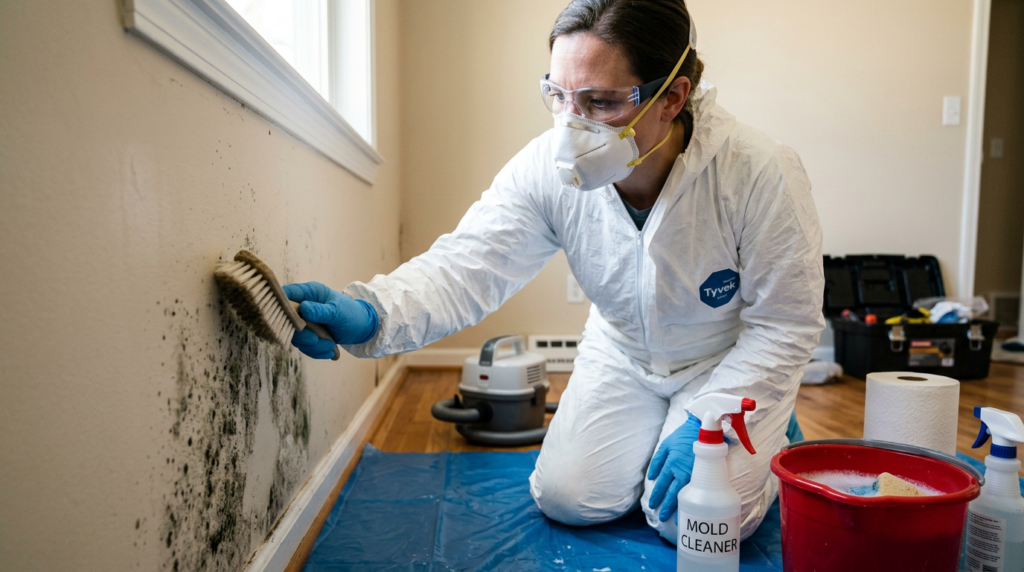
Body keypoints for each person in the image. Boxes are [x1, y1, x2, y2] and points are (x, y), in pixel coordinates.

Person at [282, 0, 824, 544]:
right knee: (568, 498)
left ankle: (774, 424)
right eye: (558, 96)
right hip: (623, 352)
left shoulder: (758, 172)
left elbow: (784, 325)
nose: (572, 127)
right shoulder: (544, 169)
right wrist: (373, 313)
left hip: (725, 362)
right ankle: (671, 433)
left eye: (601, 102)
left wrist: (716, 416)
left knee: (693, 522)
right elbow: (468, 266)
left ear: (673, 97)